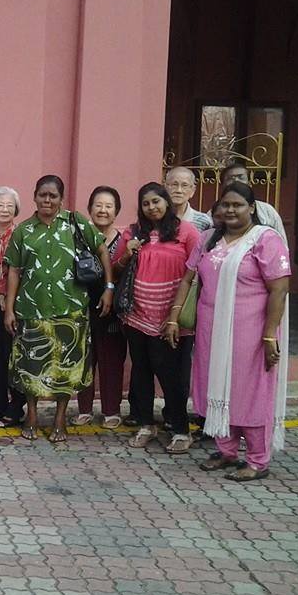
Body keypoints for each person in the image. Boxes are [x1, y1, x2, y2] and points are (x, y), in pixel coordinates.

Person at [166, 182, 291, 481]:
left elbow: (279, 289)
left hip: (252, 333)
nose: (230, 210)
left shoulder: (265, 239)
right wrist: (173, 317)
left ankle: (258, 460)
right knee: (217, 385)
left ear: (251, 208)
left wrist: (269, 335)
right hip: (212, 330)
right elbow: (187, 279)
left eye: (237, 205)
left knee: (250, 391)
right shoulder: (208, 238)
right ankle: (226, 450)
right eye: (225, 205)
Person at [4, 175, 114, 442]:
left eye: (53, 195)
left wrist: (109, 288)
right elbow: (14, 271)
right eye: (42, 195)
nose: (47, 200)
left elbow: (102, 250)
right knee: (30, 366)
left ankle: (60, 419)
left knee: (66, 369)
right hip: (32, 310)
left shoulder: (76, 223)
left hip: (71, 310)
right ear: (34, 196)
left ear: (61, 199)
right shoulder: (23, 231)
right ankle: (31, 416)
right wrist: (9, 309)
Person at [112, 183, 199, 452]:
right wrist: (128, 252)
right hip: (137, 315)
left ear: (166, 202)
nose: (152, 207)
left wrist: (176, 315)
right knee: (141, 371)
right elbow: (115, 269)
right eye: (146, 203)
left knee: (170, 374)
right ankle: (146, 425)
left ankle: (181, 429)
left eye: (156, 201)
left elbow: (197, 272)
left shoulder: (187, 232)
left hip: (170, 318)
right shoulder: (134, 232)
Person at [73, 186, 127, 429]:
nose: (103, 210)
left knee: (112, 360)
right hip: (83, 308)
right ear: (89, 209)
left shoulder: (124, 241)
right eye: (98, 205)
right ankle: (84, 409)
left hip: (112, 311)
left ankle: (111, 410)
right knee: (84, 360)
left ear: (116, 211)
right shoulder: (78, 238)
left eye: (109, 206)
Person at [0, 187, 26, 427]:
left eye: (10, 205)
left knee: (14, 356)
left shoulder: (22, 234)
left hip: (14, 303)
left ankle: (16, 406)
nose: (4, 209)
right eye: (0, 205)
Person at [220, 163, 286, 242]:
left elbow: (282, 242)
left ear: (249, 182)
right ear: (223, 185)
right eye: (231, 178)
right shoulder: (214, 213)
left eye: (241, 177)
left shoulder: (267, 211)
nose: (236, 181)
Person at [165, 166, 212, 232]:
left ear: (193, 190)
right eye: (174, 184)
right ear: (165, 187)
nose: (179, 190)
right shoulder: (156, 217)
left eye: (184, 185)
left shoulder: (204, 221)